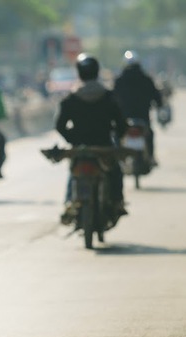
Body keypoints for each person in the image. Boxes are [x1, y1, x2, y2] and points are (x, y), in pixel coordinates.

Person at [55, 53, 128, 220]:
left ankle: (69, 202)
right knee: (115, 170)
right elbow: (121, 124)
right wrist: (116, 138)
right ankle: (118, 201)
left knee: (74, 173)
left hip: (80, 147)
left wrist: (72, 139)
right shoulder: (109, 97)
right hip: (103, 146)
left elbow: (59, 125)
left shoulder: (71, 98)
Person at [113, 50, 162, 165]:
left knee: (117, 134)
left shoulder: (119, 80)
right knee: (149, 134)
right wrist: (159, 105)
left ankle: (117, 158)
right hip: (143, 117)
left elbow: (112, 99)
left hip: (124, 118)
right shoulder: (146, 79)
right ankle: (150, 157)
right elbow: (157, 97)